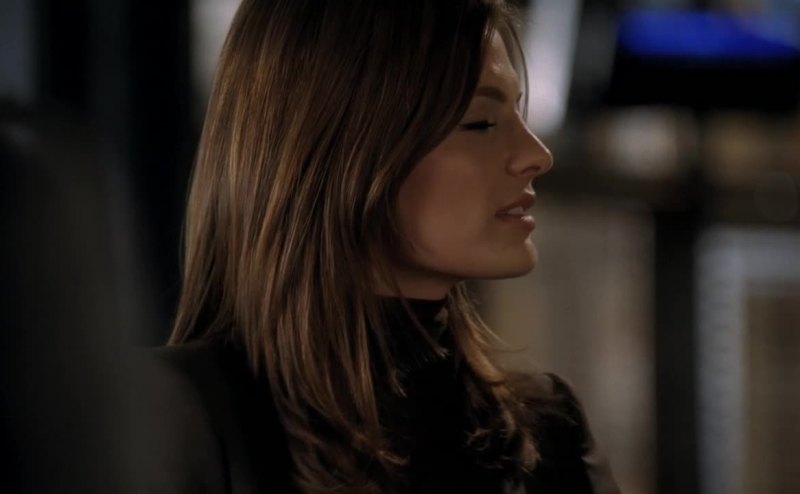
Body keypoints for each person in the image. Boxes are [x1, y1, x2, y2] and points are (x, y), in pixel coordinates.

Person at [137, 0, 621, 492]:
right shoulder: (185, 414)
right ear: (341, 149)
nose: (537, 155)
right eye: (480, 123)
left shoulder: (550, 431)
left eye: (519, 112)